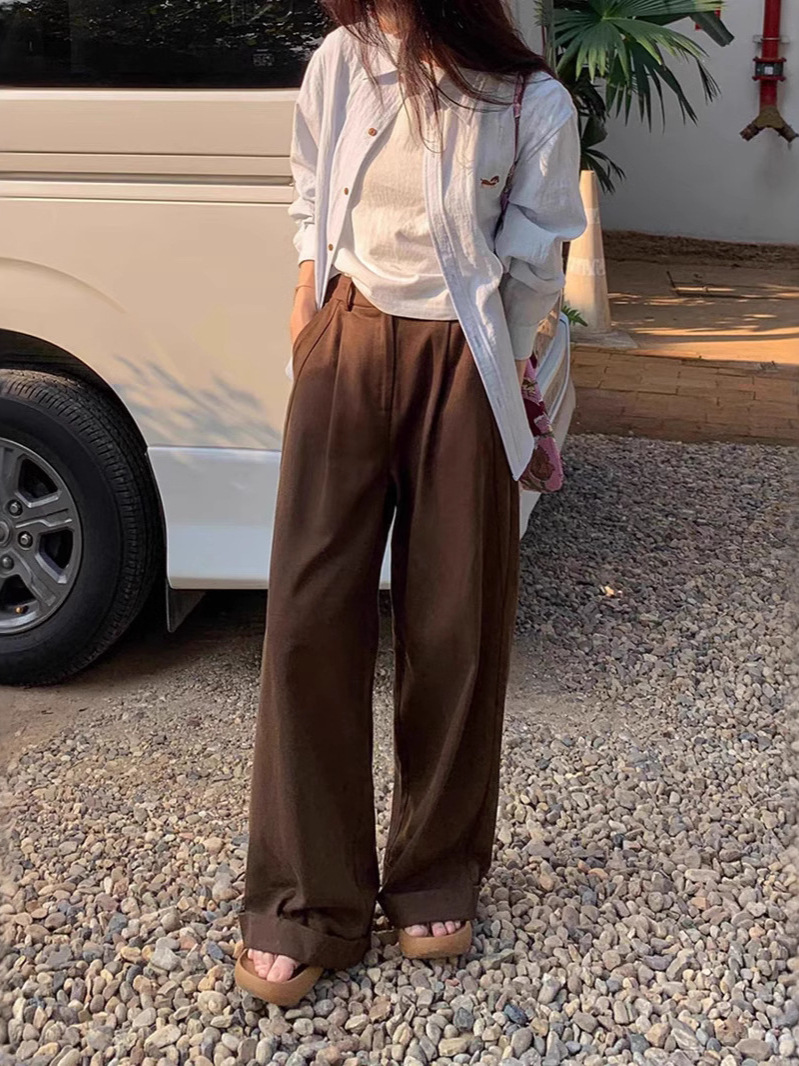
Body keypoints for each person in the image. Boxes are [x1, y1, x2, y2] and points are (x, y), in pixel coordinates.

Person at [235, 0, 586, 1006]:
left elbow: (535, 263)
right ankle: (304, 901)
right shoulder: (340, 61)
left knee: (452, 626)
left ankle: (433, 875)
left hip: (463, 363)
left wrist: (495, 370)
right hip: (346, 342)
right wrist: (308, 300)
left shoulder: (530, 102)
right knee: (307, 621)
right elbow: (311, 186)